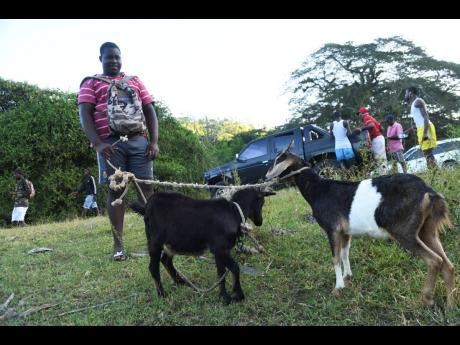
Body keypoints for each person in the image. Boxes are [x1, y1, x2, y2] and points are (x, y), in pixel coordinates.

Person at [78, 42, 159, 261]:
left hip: (139, 142)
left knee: (147, 190)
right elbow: (84, 113)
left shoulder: (134, 81)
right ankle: (118, 246)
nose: (113, 61)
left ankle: (156, 239)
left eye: (117, 57)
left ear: (121, 58)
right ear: (100, 59)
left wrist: (154, 142)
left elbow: (150, 110)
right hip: (110, 146)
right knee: (116, 192)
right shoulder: (91, 83)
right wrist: (96, 143)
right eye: (109, 57)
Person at [404, 86, 438, 169]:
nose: (405, 95)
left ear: (411, 93)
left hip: (425, 128)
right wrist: (411, 129)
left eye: (406, 93)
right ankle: (433, 173)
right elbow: (419, 119)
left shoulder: (418, 101)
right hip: (421, 128)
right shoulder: (414, 103)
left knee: (428, 154)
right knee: (426, 154)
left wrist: (425, 133)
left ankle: (435, 173)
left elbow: (426, 117)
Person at [355, 107, 387, 175]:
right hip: (379, 138)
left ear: (363, 113)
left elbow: (371, 125)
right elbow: (382, 128)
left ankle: (383, 176)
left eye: (359, 113)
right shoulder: (371, 117)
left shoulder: (366, 117)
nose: (359, 115)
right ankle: (383, 175)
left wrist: (361, 129)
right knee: (380, 159)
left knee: (379, 159)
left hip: (377, 139)